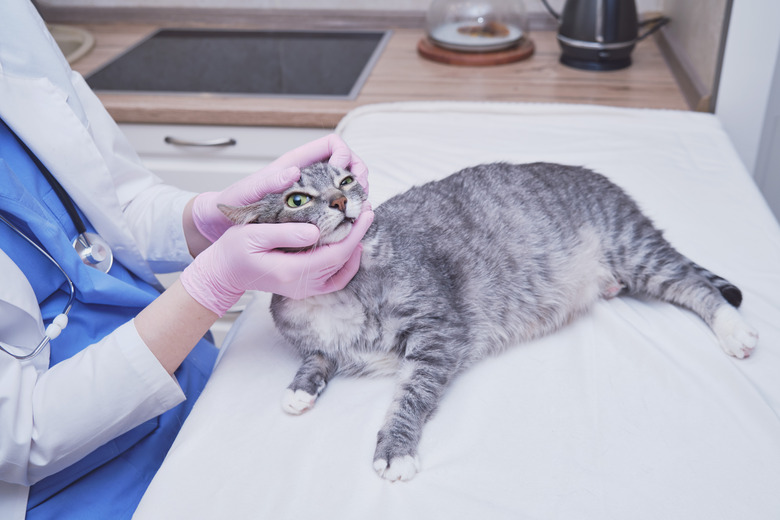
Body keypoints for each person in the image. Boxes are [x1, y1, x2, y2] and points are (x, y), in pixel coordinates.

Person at [0, 1, 374, 518]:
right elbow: (21, 433)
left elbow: (113, 198)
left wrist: (207, 218)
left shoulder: (11, 20)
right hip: (67, 481)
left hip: (185, 371)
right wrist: (212, 286)